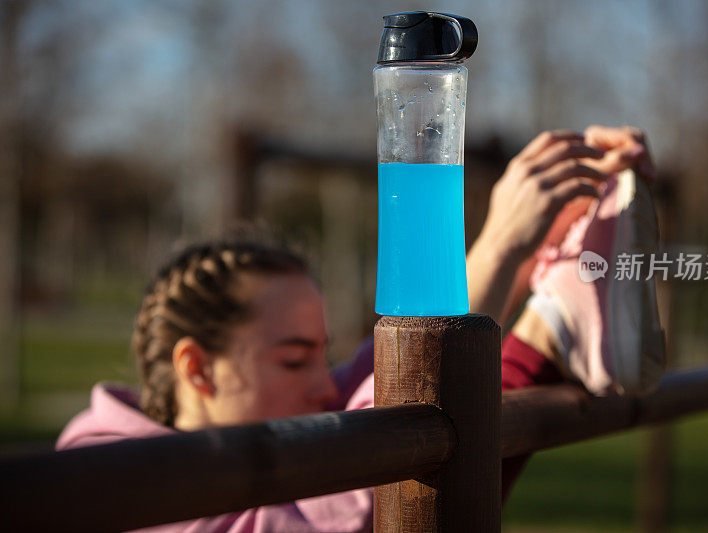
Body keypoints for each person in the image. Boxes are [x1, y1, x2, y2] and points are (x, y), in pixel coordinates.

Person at [57, 125, 663, 532]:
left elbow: (371, 375)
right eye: (295, 360)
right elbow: (340, 512)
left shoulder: (273, 423)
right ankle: (554, 325)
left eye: (321, 357)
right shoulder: (117, 491)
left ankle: (555, 312)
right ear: (197, 368)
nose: (325, 387)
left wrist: (535, 243)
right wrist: (501, 242)